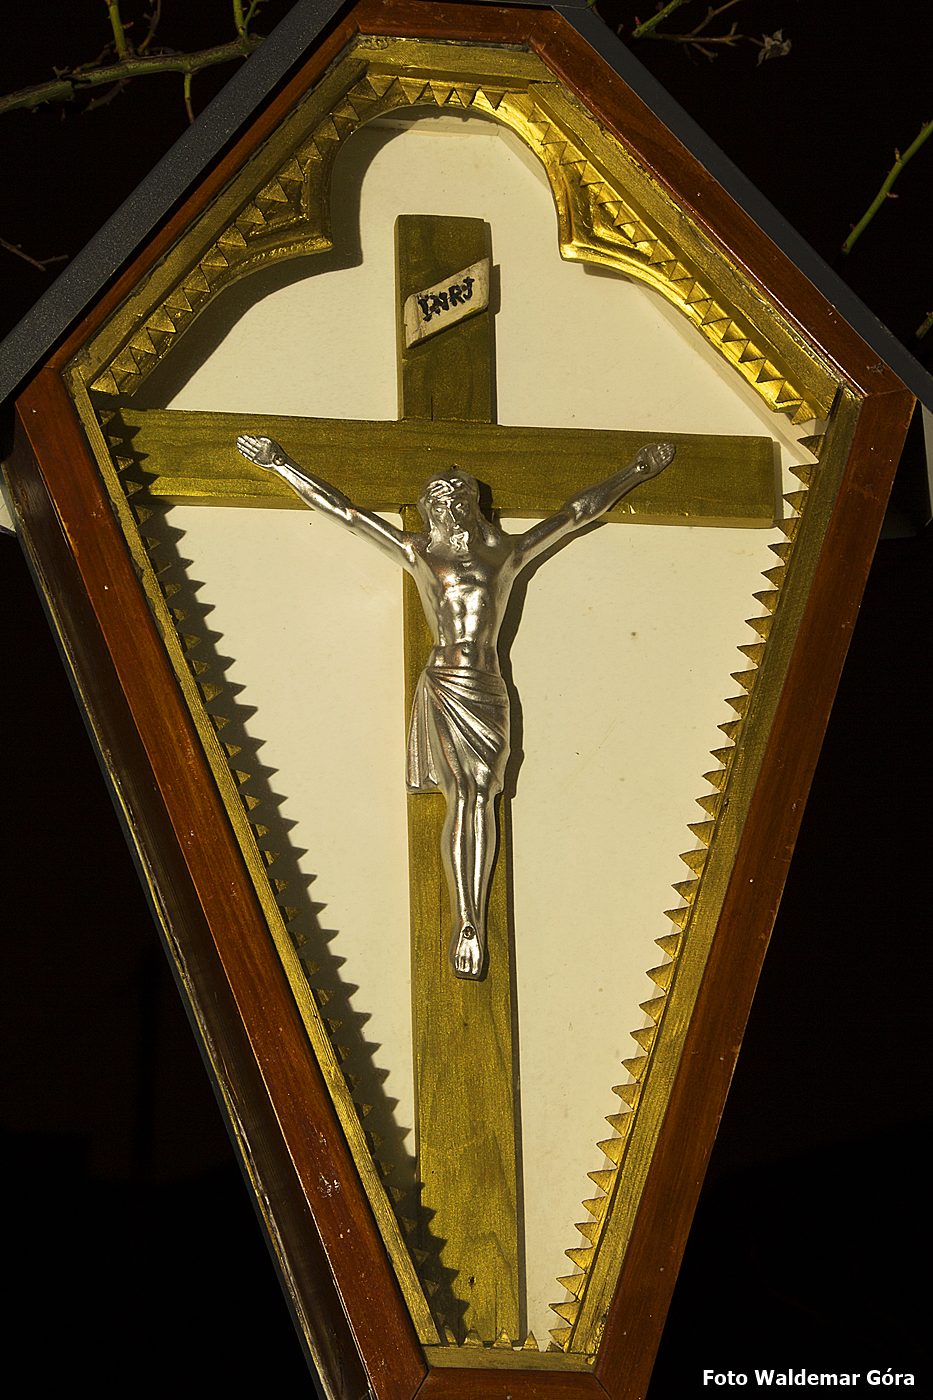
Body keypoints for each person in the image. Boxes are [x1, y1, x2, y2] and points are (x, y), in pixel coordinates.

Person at [235, 433, 675, 978]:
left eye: (459, 498)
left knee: (484, 793)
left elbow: (576, 513)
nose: (451, 508)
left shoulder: (504, 552)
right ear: (431, 510)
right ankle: (467, 920)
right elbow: (346, 513)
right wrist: (281, 464)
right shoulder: (421, 552)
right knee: (464, 794)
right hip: (447, 683)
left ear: (473, 504)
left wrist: (637, 470)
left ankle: (472, 912)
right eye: (441, 501)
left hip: (489, 685)